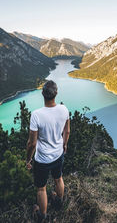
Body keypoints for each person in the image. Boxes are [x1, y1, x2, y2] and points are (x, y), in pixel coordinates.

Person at [26, 80, 70, 222]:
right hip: (58, 154)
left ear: (42, 94)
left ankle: (42, 215)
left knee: (41, 188)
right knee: (58, 178)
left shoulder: (36, 115)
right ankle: (59, 201)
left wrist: (28, 160)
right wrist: (64, 144)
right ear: (56, 93)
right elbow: (67, 131)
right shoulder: (64, 109)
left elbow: (32, 143)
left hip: (42, 159)